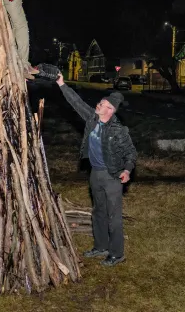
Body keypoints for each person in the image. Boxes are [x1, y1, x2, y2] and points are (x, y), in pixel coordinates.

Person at [56, 74, 137, 267]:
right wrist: (61, 83)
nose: (97, 105)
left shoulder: (119, 131)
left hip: (112, 176)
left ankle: (117, 253)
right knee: (98, 212)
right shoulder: (92, 119)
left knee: (113, 216)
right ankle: (101, 246)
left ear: (110, 110)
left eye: (101, 104)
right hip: (95, 174)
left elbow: (131, 153)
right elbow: (76, 102)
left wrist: (127, 170)